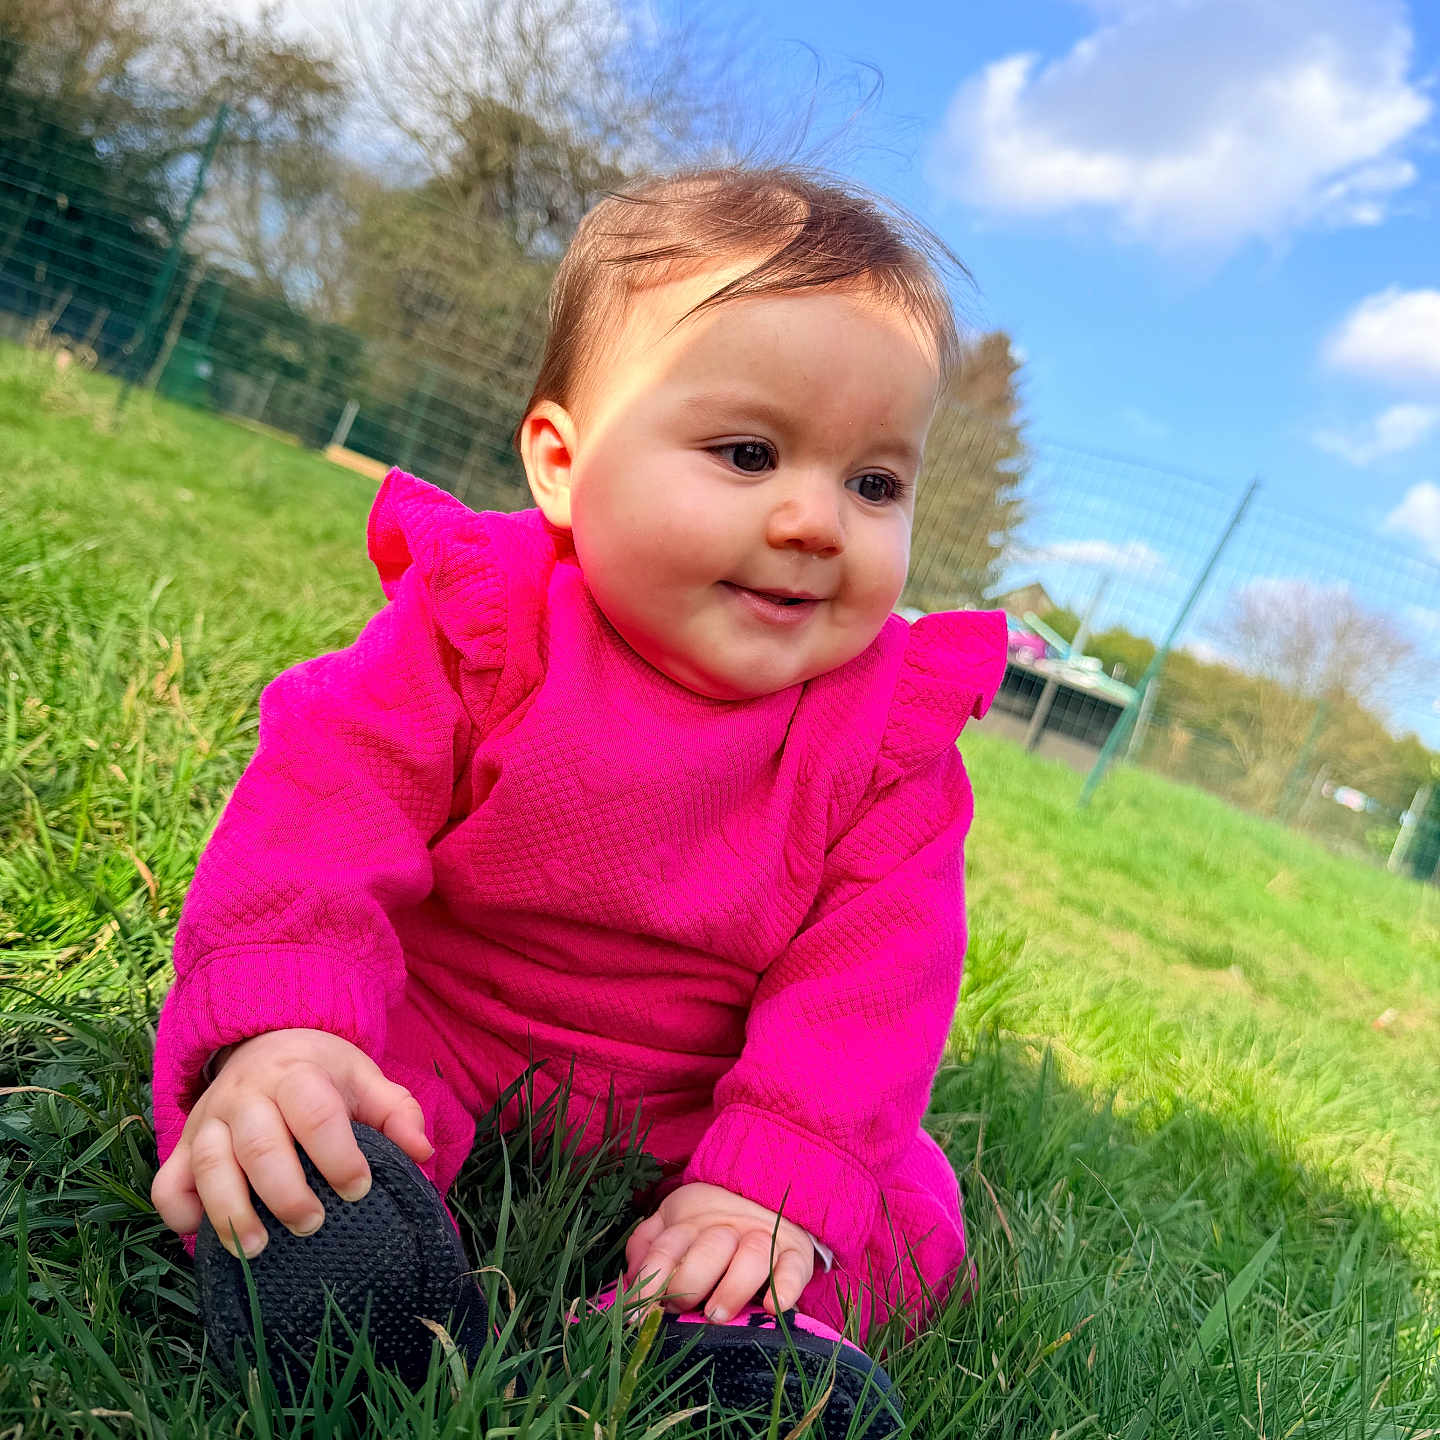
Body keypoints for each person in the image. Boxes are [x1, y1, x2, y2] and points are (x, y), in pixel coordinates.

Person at [149, 166, 1006, 1428]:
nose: (816, 519)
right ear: (561, 463)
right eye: (750, 453)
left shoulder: (891, 744)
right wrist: (291, 1022)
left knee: (903, 1211)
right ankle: (350, 1274)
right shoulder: (481, 627)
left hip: (701, 1098)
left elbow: (872, 991)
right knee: (304, 1113)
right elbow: (323, 811)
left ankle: (721, 1347)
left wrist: (770, 1185)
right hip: (436, 1031)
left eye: (876, 483)